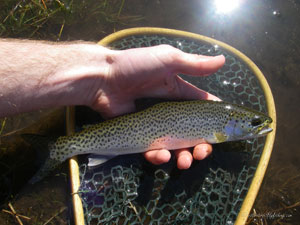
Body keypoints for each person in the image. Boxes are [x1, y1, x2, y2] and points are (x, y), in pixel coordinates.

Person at [0, 39, 225, 169]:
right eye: (254, 124)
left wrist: (103, 74)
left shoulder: (220, 123)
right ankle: (58, 149)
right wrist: (105, 73)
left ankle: (60, 148)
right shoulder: (220, 125)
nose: (259, 128)